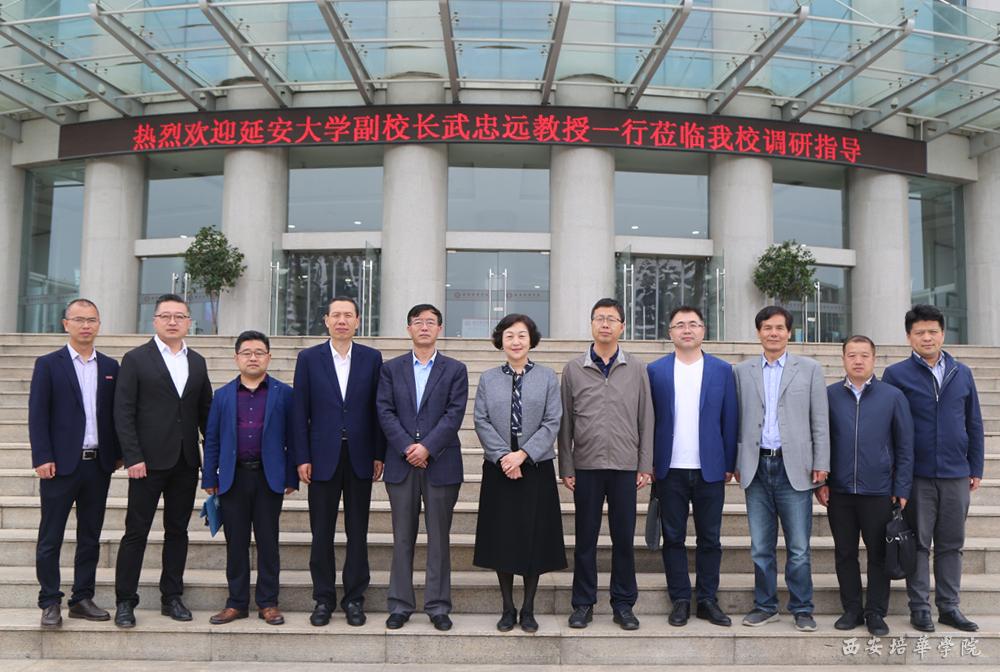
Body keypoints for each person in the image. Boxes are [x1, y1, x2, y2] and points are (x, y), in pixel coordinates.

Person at [882, 304, 984, 633]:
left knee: (951, 544)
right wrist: (897, 477)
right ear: (909, 337)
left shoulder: (961, 372)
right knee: (919, 544)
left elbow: (974, 422)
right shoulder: (896, 375)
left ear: (943, 334)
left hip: (956, 472)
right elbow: (889, 429)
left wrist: (975, 466)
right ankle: (919, 608)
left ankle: (949, 607)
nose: (927, 337)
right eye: (920, 332)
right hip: (917, 475)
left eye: (933, 331)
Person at [113, 293, 213, 628]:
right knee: (136, 532)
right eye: (166, 316)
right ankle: (125, 601)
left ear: (188, 322)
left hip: (185, 461)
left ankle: (172, 597)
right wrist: (133, 456)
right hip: (147, 463)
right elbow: (123, 411)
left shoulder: (197, 361)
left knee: (178, 531)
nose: (173, 322)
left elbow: (206, 413)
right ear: (155, 320)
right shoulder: (136, 359)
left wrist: (213, 458)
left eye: (179, 316)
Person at [558, 297, 653, 631]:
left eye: (612, 319)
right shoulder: (574, 369)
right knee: (585, 539)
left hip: (626, 466)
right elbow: (565, 422)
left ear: (622, 326)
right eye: (599, 318)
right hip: (586, 465)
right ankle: (583, 603)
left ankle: (623, 604)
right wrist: (566, 467)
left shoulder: (637, 368)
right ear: (591, 324)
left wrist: (645, 464)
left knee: (623, 539)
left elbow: (646, 418)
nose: (605, 324)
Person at [733, 305, 829, 632]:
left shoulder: (810, 369)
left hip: (795, 468)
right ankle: (765, 606)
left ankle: (802, 608)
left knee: (799, 547)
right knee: (761, 547)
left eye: (779, 328)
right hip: (756, 466)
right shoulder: (742, 371)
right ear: (758, 332)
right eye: (767, 328)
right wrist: (736, 462)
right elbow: (736, 420)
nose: (773, 333)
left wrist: (822, 463)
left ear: (789, 332)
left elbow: (820, 420)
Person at [292, 296, 385, 627]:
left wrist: (379, 453)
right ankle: (323, 598)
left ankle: (354, 599)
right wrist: (302, 456)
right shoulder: (308, 358)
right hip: (321, 458)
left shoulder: (372, 358)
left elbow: (379, 409)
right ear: (326, 321)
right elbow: (299, 410)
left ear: (358, 321)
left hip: (360, 456)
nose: (342, 321)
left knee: (358, 532)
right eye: (336, 315)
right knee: (322, 532)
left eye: (348, 315)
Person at [376, 304, 468, 631]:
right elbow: (384, 411)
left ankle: (438, 605)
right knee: (402, 536)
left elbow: (454, 414)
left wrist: (427, 447)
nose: (424, 327)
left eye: (431, 322)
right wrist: (407, 447)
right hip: (401, 463)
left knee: (439, 538)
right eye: (418, 322)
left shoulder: (455, 369)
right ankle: (400, 604)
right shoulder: (391, 369)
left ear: (440, 329)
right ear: (409, 328)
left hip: (441, 463)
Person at [472, 314, 566, 633]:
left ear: (531, 340)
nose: (516, 341)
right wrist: (504, 457)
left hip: (535, 467)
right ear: (501, 340)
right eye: (509, 335)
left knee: (534, 539)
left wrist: (522, 455)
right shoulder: (488, 379)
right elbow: (481, 420)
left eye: (522, 335)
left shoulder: (547, 376)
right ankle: (507, 608)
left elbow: (552, 421)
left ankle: (528, 608)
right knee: (503, 539)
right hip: (499, 470)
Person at [30, 298, 121, 627]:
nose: (86, 325)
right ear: (65, 324)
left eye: (91, 320)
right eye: (79, 319)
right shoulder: (48, 364)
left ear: (99, 325)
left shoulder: (110, 366)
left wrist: (119, 453)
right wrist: (42, 456)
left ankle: (82, 597)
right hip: (59, 466)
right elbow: (38, 414)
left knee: (90, 536)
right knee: (50, 536)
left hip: (97, 464)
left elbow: (116, 414)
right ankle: (49, 601)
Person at [815, 334, 913, 637]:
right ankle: (852, 609)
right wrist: (822, 481)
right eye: (852, 355)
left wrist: (902, 487)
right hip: (840, 491)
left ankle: (875, 613)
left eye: (864, 355)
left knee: (878, 554)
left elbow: (905, 446)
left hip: (879, 491)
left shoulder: (892, 396)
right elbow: (821, 441)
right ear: (843, 359)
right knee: (844, 553)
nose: (858, 361)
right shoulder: (829, 395)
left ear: (874, 359)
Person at [646, 305, 737, 628]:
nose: (687, 329)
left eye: (693, 324)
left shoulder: (721, 370)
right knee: (673, 538)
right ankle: (681, 599)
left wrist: (729, 462)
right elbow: (648, 420)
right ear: (670, 333)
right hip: (669, 468)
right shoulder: (655, 371)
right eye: (680, 325)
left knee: (710, 538)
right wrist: (648, 462)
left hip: (710, 468)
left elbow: (730, 419)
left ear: (703, 330)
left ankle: (708, 599)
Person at [202, 330, 298, 626]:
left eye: (259, 352)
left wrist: (291, 476)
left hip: (269, 478)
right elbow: (212, 439)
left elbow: (294, 438)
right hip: (233, 478)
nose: (253, 357)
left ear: (269, 357)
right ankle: (236, 603)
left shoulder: (285, 394)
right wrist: (209, 476)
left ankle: (268, 603)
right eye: (246, 352)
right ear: (236, 358)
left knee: (268, 542)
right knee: (236, 543)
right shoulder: (222, 396)